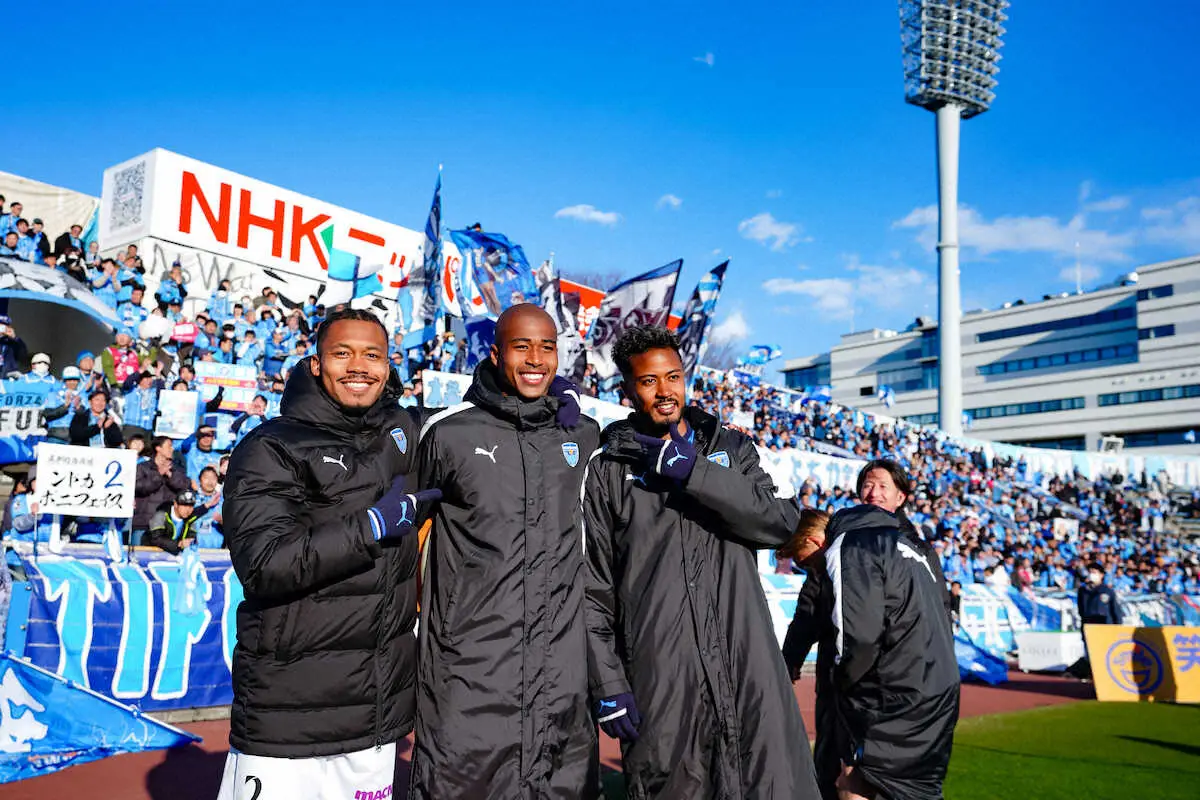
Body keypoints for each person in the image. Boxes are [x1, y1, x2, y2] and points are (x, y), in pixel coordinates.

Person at [582, 324, 819, 799]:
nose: (665, 391)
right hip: (664, 682)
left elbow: (779, 524)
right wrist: (608, 682)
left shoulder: (732, 448)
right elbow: (592, 588)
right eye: (649, 381)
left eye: (673, 376)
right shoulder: (608, 468)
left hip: (748, 670)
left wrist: (697, 473)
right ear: (627, 389)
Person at [217, 307, 434, 800]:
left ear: (389, 365)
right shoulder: (270, 445)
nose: (358, 365)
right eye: (342, 353)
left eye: (372, 355)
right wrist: (371, 527)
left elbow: (481, 428)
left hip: (373, 723)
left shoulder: (405, 433)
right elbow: (263, 564)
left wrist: (555, 405)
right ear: (316, 364)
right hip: (285, 721)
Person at [408, 303, 595, 799]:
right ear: (495, 354)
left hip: (559, 679)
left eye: (547, 347)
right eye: (521, 346)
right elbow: (407, 545)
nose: (536, 358)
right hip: (470, 678)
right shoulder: (447, 433)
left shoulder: (582, 435)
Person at [800, 484, 959, 800]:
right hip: (937, 687)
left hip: (895, 694)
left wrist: (842, 682)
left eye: (803, 561)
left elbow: (858, 638)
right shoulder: (907, 545)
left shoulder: (850, 547)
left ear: (813, 542)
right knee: (911, 790)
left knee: (850, 783)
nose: (807, 569)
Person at [133, 436, 191, 546]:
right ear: (158, 448)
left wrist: (170, 475)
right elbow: (138, 487)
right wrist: (158, 475)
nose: (172, 449)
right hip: (143, 523)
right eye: (169, 446)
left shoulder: (176, 469)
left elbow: (185, 487)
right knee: (139, 557)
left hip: (166, 525)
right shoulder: (142, 467)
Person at [145, 490, 214, 554]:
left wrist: (191, 542)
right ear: (175, 504)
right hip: (151, 554)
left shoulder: (191, 520)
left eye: (191, 506)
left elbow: (191, 537)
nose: (187, 510)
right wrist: (178, 544)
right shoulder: (161, 515)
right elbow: (155, 539)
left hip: (177, 557)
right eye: (184, 505)